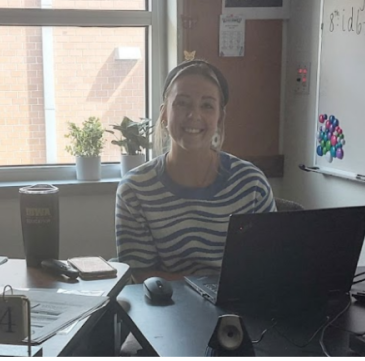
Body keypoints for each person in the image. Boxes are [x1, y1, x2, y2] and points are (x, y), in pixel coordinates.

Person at [115, 60, 276, 280]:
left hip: (237, 311)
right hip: (164, 309)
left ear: (220, 118)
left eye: (207, 105)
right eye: (182, 103)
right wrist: (208, 290)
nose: (194, 115)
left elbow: (268, 268)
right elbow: (141, 276)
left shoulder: (251, 185)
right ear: (164, 114)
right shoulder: (135, 189)